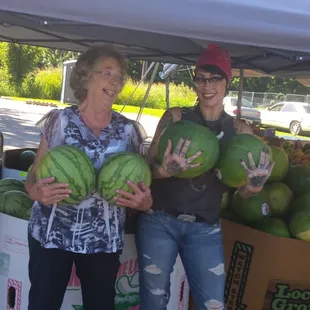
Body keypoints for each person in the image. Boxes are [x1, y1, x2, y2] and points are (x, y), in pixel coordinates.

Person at [135, 43, 274, 310]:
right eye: (201, 78)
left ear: (227, 82)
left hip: (205, 228)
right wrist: (164, 171)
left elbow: (239, 195)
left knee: (213, 304)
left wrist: (252, 189)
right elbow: (145, 170)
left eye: (214, 79)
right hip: (160, 221)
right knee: (153, 301)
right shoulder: (175, 118)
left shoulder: (240, 130)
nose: (207, 86)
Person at [25, 44, 152, 310]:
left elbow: (142, 185)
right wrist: (36, 192)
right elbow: (33, 173)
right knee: (43, 304)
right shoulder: (60, 121)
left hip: (102, 243)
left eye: (119, 77)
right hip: (52, 236)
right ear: (85, 75)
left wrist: (144, 203)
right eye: (107, 73)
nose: (115, 82)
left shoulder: (128, 131)